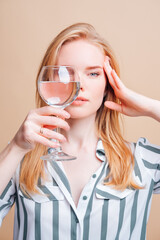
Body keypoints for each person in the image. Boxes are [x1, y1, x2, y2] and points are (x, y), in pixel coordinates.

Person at [0, 23, 160, 240]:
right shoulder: (19, 160)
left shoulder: (143, 162)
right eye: (65, 73)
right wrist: (16, 147)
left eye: (93, 74)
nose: (79, 85)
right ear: (46, 81)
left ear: (107, 86)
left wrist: (151, 107)